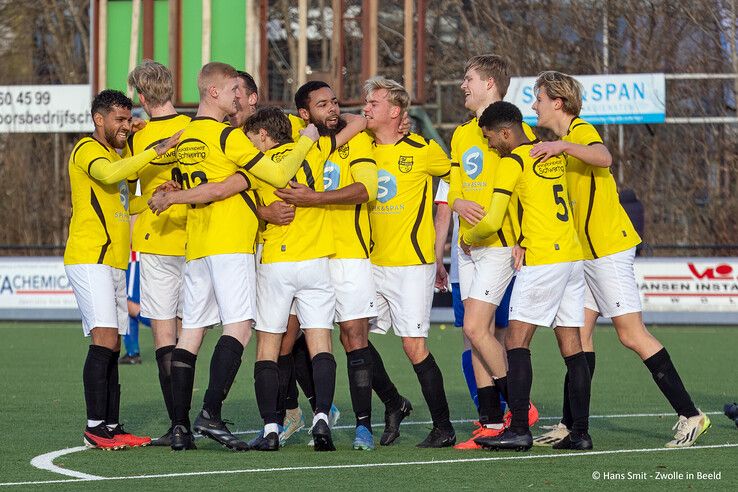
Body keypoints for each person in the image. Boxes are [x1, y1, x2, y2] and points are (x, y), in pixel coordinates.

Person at [530, 71, 709, 448]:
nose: (535, 105)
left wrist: (563, 148)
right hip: (586, 255)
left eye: (539, 98)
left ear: (557, 102)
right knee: (578, 337)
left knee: (631, 334)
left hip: (609, 251)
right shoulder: (562, 141)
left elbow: (603, 155)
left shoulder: (580, 132)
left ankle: (691, 414)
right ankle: (570, 425)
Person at [154, 62, 320, 451]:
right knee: (240, 328)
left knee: (191, 332)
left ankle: (180, 428)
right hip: (230, 242)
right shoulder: (228, 137)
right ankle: (210, 412)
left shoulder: (188, 137)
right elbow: (278, 177)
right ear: (213, 91)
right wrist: (306, 141)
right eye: (232, 89)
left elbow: (209, 184)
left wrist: (172, 195)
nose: (237, 96)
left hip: (197, 244)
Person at [468, 101, 592, 451]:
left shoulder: (514, 160)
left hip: (544, 261)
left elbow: (492, 221)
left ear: (506, 132)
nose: (491, 145)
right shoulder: (550, 154)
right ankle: (580, 433)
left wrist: (467, 238)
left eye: (491, 138)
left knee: (515, 341)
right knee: (573, 346)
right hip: (571, 256)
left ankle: (519, 428)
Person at [64, 89, 180, 450]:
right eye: (119, 119)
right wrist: (152, 149)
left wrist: (161, 197)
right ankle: (94, 427)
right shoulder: (86, 150)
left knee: (112, 345)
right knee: (105, 340)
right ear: (99, 120)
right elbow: (113, 172)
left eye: (129, 119)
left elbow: (129, 203)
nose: (127, 126)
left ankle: (111, 426)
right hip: (89, 258)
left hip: (113, 261)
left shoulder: (117, 152)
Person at [274, 81, 383, 450]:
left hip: (348, 254)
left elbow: (366, 189)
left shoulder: (357, 141)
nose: (332, 108)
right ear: (303, 114)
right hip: (305, 255)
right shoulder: (296, 142)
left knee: (354, 337)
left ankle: (364, 426)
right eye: (322, 104)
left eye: (335, 101)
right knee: (286, 340)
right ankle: (306, 411)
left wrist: (314, 198)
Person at [447, 55, 538, 449]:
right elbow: (452, 187)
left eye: (468, 79)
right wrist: (457, 205)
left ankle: (522, 408)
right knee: (474, 337)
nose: (462, 86)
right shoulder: (461, 134)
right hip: (467, 247)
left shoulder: (519, 133)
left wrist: (523, 238)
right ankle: (490, 423)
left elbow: (528, 191)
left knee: (477, 329)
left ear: (489, 83)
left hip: (499, 245)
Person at [363, 76, 455, 448]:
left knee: (413, 346)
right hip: (369, 262)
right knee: (353, 336)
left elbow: (456, 181)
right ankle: (394, 403)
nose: (366, 108)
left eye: (374, 102)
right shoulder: (360, 146)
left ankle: (444, 427)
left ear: (395, 111)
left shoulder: (423, 149)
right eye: (366, 102)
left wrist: (439, 246)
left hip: (411, 264)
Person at [124, 60, 191, 445]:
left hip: (155, 242)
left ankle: (178, 425)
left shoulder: (137, 135)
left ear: (144, 96)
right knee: (192, 335)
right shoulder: (195, 127)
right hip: (195, 240)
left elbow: (126, 182)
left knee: (164, 334)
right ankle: (204, 414)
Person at [120, 249, 151, 365]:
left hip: (134, 257)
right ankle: (132, 353)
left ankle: (172, 332)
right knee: (127, 306)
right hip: (133, 259)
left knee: (128, 304)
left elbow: (131, 232)